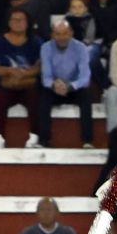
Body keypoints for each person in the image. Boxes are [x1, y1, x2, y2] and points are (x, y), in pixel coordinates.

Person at [0, 8, 43, 149]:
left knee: (35, 94)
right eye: (15, 20)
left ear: (27, 23)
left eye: (21, 20)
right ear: (9, 22)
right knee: (0, 95)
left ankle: (34, 136)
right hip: (7, 84)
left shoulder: (36, 43)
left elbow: (39, 67)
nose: (18, 23)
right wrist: (11, 71)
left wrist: (23, 75)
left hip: (27, 84)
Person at [39, 21, 93, 149]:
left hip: (74, 88)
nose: (61, 37)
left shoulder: (81, 48)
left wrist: (70, 86)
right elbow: (46, 77)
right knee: (43, 96)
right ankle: (44, 140)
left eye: (65, 33)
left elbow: (85, 77)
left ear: (71, 33)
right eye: (58, 34)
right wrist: (54, 85)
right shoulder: (46, 48)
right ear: (52, 35)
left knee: (86, 96)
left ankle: (88, 140)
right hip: (55, 88)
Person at [89, 0, 117, 88]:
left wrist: (111, 41)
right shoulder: (89, 6)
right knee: (89, 55)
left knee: (114, 52)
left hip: (116, 41)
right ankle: (105, 85)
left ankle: (110, 87)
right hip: (96, 42)